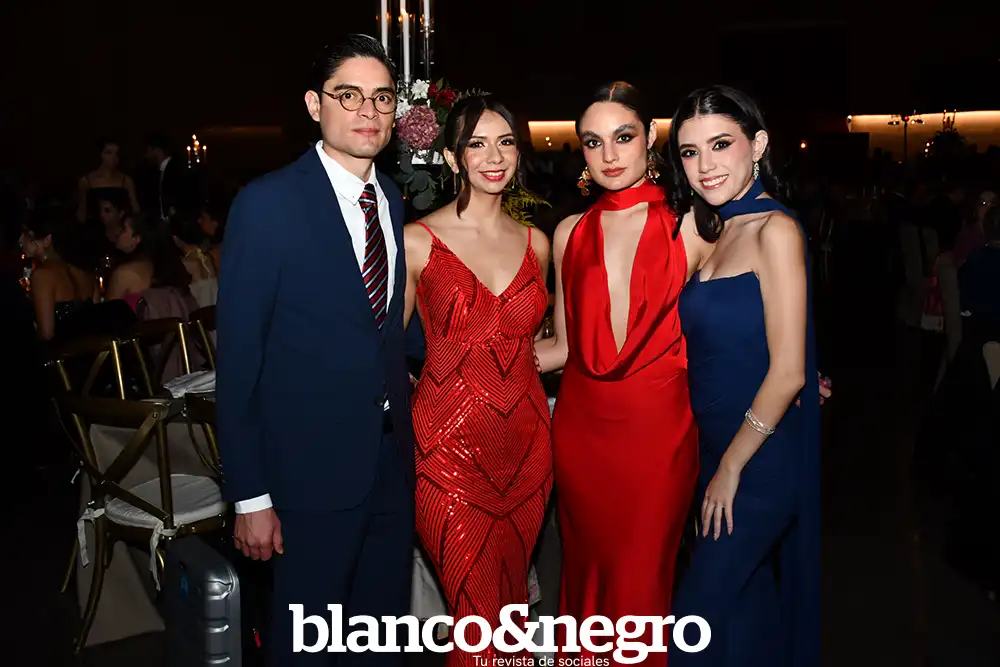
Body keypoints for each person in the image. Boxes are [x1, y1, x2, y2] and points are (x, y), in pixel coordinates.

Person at [216, 35, 417, 666]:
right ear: (314, 104)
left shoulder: (391, 199)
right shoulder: (267, 204)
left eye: (381, 97)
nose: (368, 111)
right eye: (348, 95)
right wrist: (250, 496)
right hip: (305, 476)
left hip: (389, 466)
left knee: (380, 641)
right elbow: (238, 364)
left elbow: (384, 334)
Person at [534, 82, 706, 665]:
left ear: (651, 137)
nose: (608, 155)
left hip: (659, 434)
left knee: (639, 584)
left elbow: (735, 318)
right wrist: (475, 362)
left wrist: (794, 369)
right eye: (593, 142)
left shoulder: (692, 224)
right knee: (587, 576)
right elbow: (563, 347)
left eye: (623, 137)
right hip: (581, 434)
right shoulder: (569, 232)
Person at [666, 85, 820, 666]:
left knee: (692, 626)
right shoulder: (717, 228)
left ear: (757, 145)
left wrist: (730, 467)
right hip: (717, 453)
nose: (705, 165)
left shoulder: (774, 230)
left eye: (720, 145)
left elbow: (788, 373)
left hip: (756, 463)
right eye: (689, 151)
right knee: (746, 626)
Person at [403, 96, 552, 667]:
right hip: (447, 454)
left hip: (528, 450)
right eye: (477, 144)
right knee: (477, 617)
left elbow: (540, 346)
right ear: (451, 157)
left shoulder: (537, 244)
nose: (494, 157)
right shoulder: (417, 241)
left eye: (506, 142)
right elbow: (381, 352)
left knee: (510, 615)